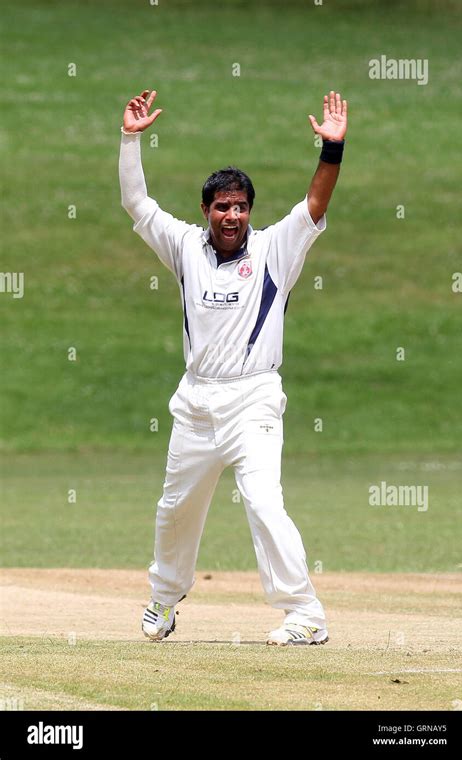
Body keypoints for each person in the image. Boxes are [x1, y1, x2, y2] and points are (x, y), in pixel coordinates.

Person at [119, 88, 348, 645]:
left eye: (240, 205)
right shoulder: (183, 247)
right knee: (175, 508)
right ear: (206, 211)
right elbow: (137, 204)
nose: (232, 215)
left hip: (253, 399)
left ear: (250, 210)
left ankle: (305, 615)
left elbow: (314, 206)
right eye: (222, 206)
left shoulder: (275, 249)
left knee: (265, 502)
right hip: (196, 401)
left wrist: (332, 151)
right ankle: (163, 602)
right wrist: (130, 139)